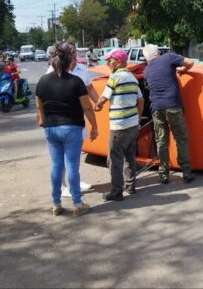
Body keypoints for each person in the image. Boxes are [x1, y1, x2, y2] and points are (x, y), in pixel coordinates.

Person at [35, 42, 98, 217]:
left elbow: (39, 107)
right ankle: (77, 203)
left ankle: (56, 203)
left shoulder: (43, 81)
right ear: (68, 60)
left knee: (56, 165)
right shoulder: (76, 82)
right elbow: (87, 107)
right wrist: (94, 126)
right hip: (72, 128)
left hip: (51, 129)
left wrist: (41, 121)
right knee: (72, 166)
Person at [94, 49, 144, 201]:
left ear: (119, 62)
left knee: (114, 159)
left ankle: (116, 191)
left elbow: (104, 97)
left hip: (119, 126)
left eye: (110, 60)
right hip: (133, 124)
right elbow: (141, 100)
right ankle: (131, 186)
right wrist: (138, 117)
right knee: (129, 156)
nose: (108, 63)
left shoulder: (114, 77)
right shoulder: (133, 78)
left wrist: (98, 105)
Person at [142, 44, 195, 184]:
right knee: (181, 138)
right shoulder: (168, 57)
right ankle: (186, 171)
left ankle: (163, 174)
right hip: (172, 105)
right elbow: (190, 62)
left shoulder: (146, 70)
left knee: (161, 141)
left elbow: (147, 87)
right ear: (158, 52)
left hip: (156, 108)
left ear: (146, 58)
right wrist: (182, 69)